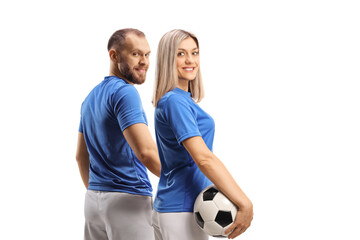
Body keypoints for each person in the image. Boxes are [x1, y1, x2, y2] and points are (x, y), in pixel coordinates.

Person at [151, 29, 253, 240]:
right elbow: (203, 158)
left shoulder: (179, 101)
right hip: (182, 211)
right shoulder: (175, 102)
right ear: (168, 59)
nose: (190, 60)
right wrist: (244, 202)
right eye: (180, 54)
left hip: (177, 208)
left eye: (194, 52)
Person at [76, 28, 161, 240]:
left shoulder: (90, 98)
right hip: (128, 201)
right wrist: (183, 182)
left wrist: (101, 194)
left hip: (93, 201)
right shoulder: (125, 92)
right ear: (114, 56)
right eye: (135, 54)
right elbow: (146, 152)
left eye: (147, 54)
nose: (144, 61)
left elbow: (80, 156)